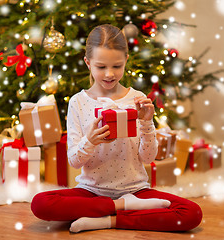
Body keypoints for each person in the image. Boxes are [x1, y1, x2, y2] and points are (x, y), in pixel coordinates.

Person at [31, 24, 202, 233]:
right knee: (40, 203)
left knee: (190, 213)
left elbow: (148, 158)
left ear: (126, 60)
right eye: (101, 67)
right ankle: (120, 208)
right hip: (91, 191)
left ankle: (105, 220)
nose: (109, 74)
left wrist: (148, 123)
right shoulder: (78, 102)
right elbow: (75, 161)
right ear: (88, 63)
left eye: (117, 66)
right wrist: (90, 141)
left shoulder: (137, 99)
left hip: (135, 191)